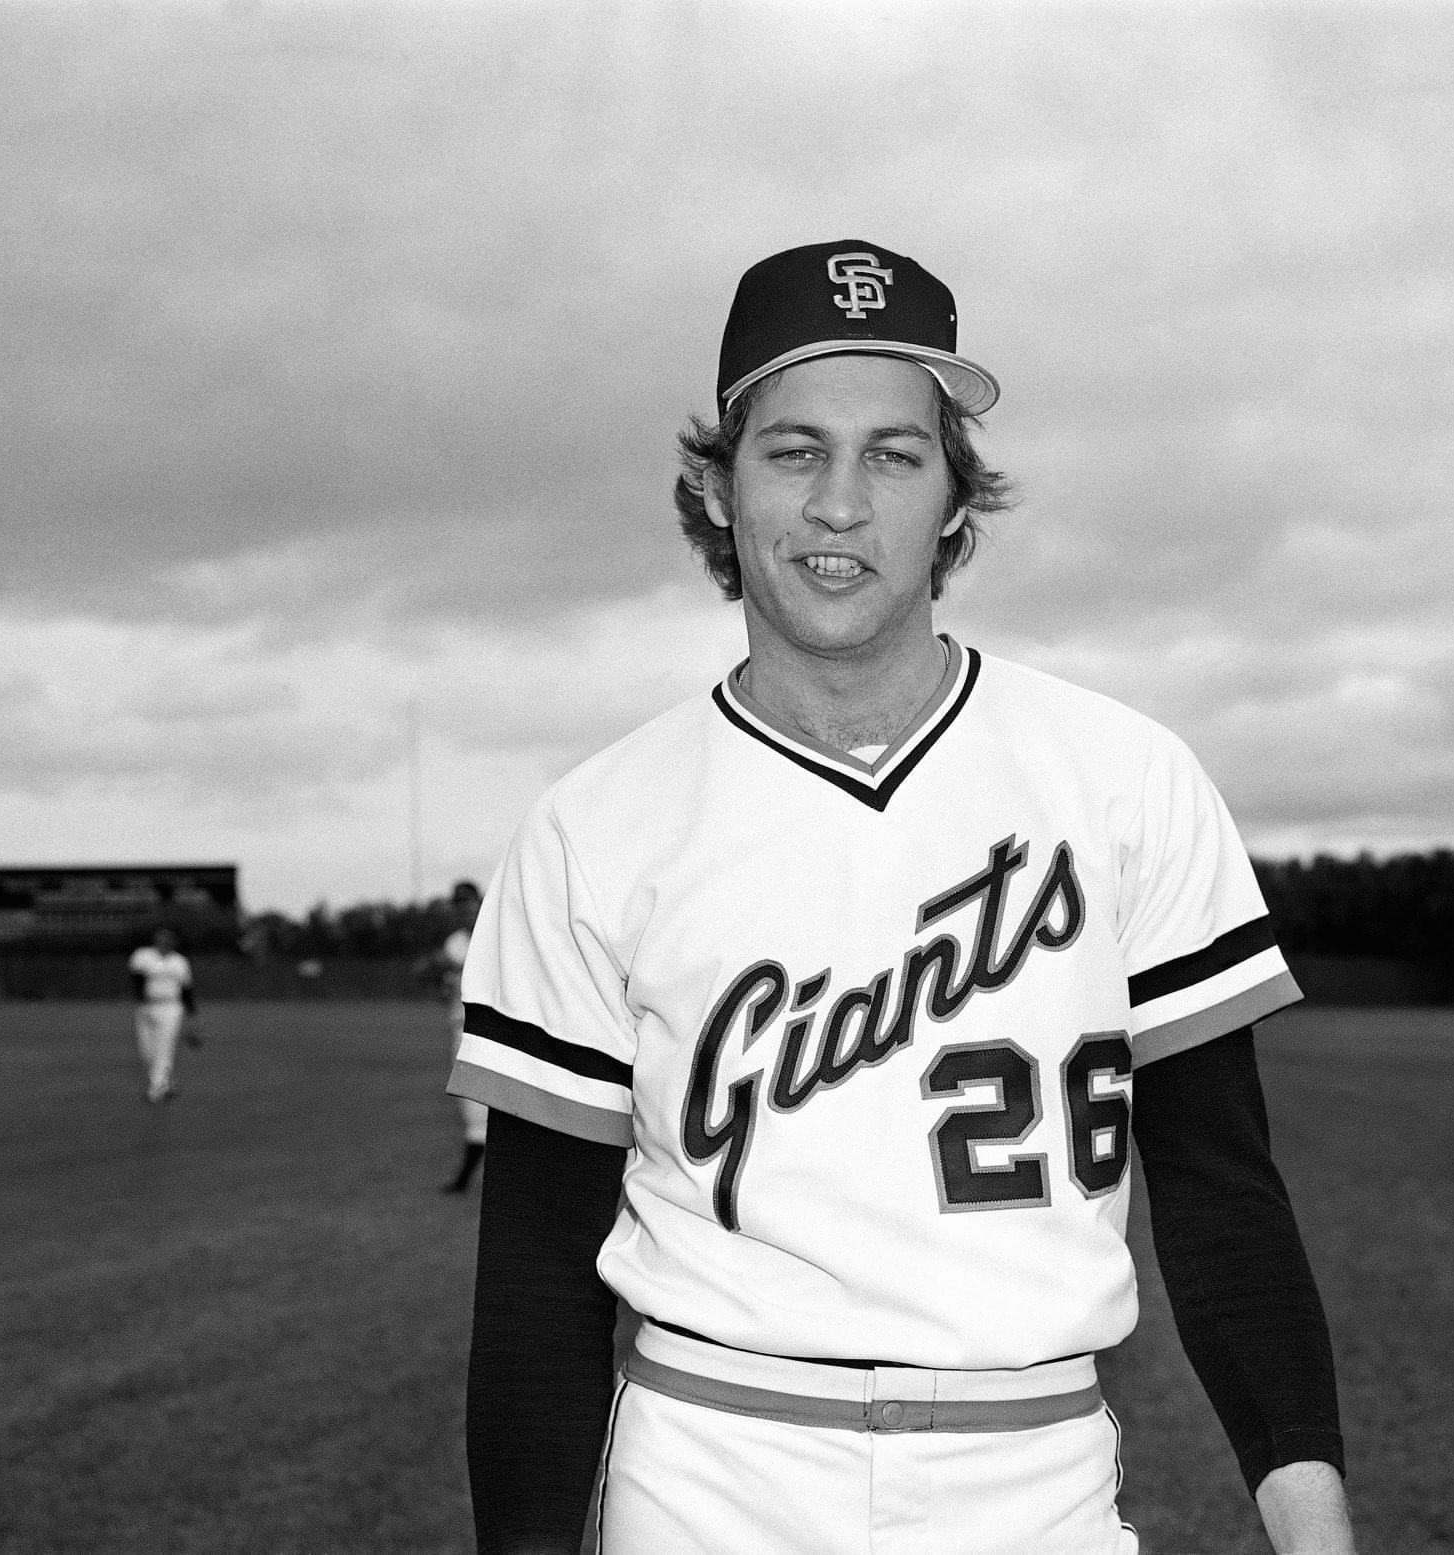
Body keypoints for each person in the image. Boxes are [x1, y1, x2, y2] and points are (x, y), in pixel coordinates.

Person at [450, 241, 1355, 1554]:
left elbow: (1219, 1198)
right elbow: (537, 1270)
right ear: (717, 485)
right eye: (791, 448)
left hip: (1036, 1472)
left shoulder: (1122, 780)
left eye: (892, 453)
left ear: (952, 497)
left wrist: (1314, 1529)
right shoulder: (591, 828)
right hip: (711, 1474)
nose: (837, 502)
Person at [440, 879, 488, 1192]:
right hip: (463, 1028)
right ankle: (464, 1180)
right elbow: (445, 988)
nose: (464, 909)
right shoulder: (454, 944)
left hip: (496, 1030)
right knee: (473, 1108)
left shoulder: (496, 935)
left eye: (468, 902)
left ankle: (462, 1181)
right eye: (459, 904)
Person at [129, 926, 195, 1104]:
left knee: (164, 1049)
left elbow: (187, 990)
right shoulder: (142, 955)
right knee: (147, 1052)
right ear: (156, 940)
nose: (165, 942)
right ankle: (165, 1082)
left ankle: (156, 1091)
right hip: (146, 1006)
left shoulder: (179, 961)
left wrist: (192, 1016)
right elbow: (136, 979)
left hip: (171, 1007)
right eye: (162, 938)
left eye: (168, 939)